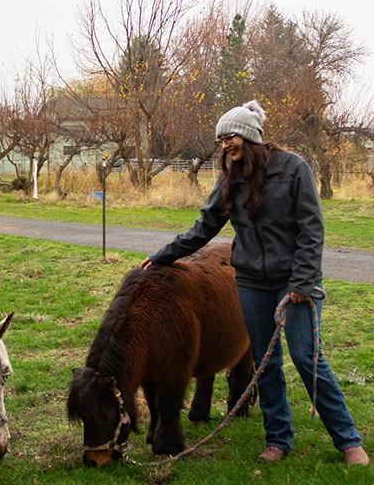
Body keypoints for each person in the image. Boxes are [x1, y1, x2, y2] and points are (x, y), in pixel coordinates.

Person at [141, 100, 369, 466]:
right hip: (250, 283)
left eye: (228, 137)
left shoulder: (295, 169)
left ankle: (348, 440)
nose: (224, 146)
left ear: (248, 136)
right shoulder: (232, 177)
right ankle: (278, 439)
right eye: (221, 141)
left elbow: (312, 229)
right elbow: (206, 226)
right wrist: (166, 254)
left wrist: (303, 281)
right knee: (266, 364)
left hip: (296, 283)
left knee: (307, 358)